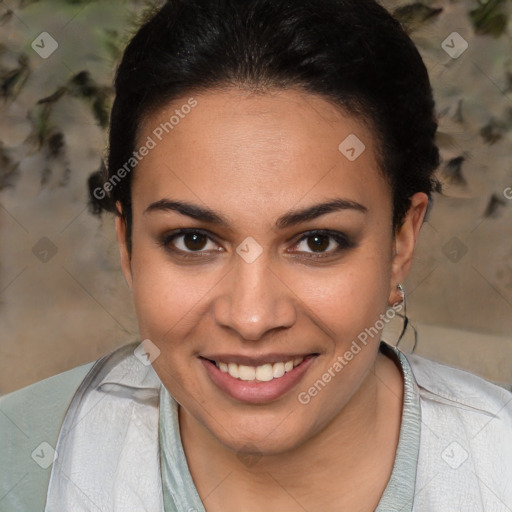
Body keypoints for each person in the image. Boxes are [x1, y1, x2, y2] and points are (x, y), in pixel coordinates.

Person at [1, 0, 511, 510]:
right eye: (193, 240)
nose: (251, 318)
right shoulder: (21, 465)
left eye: (317, 241)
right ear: (127, 245)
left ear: (401, 241)